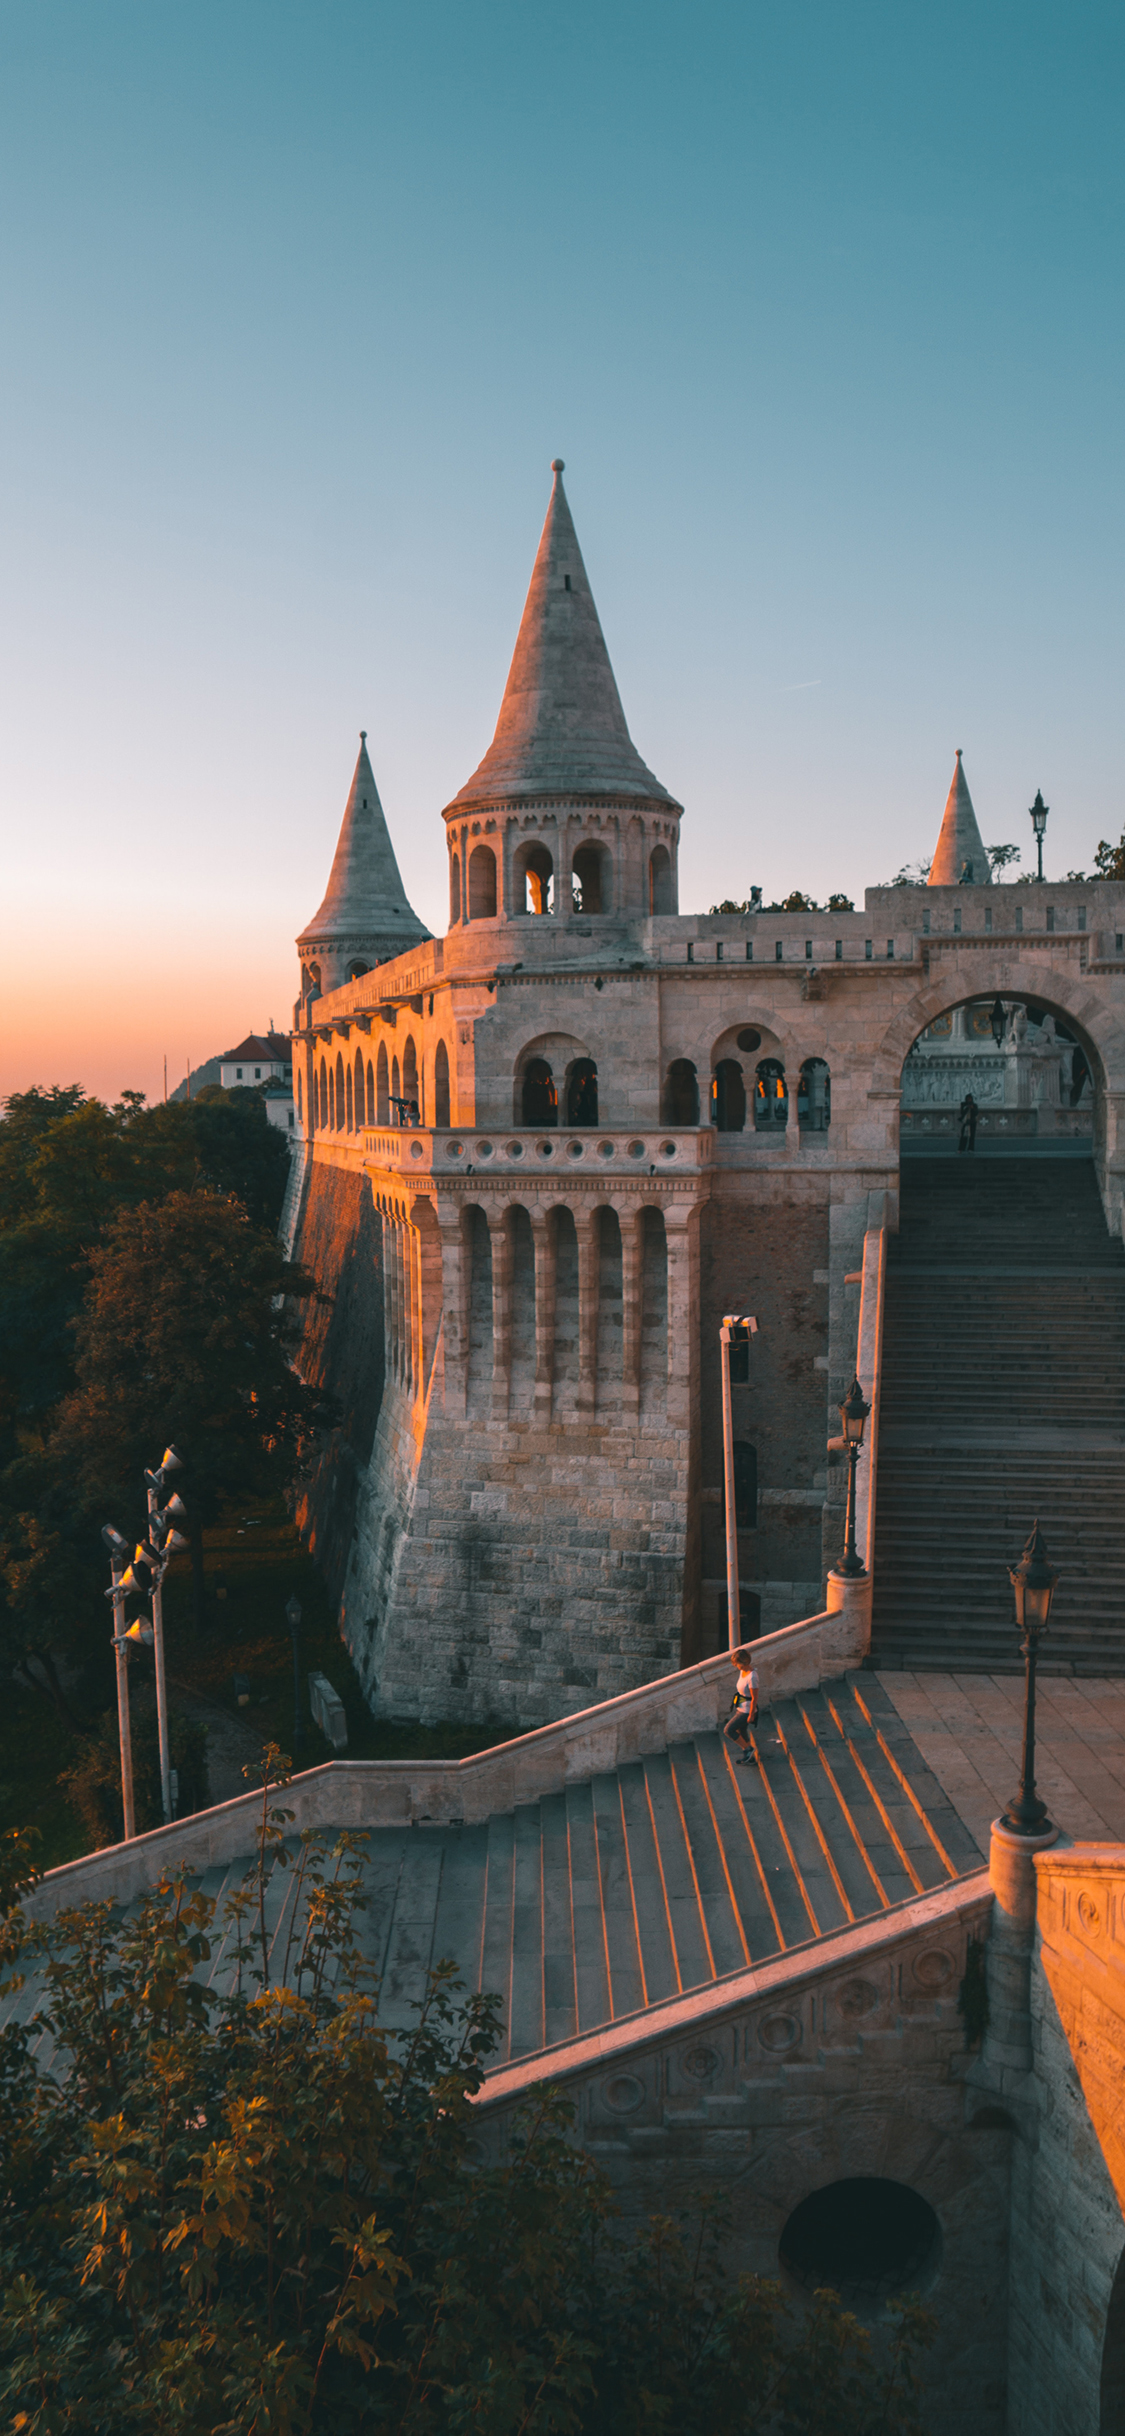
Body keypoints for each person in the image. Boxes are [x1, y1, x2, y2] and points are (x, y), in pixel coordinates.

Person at [723, 1646, 760, 1767]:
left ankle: (748, 1749)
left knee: (728, 1730)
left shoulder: (752, 1677)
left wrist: (751, 1714)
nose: (735, 1666)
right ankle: (750, 1758)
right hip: (741, 1707)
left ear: (743, 1662)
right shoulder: (742, 1672)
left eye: (736, 1663)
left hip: (746, 1710)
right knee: (741, 1730)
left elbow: (754, 1697)